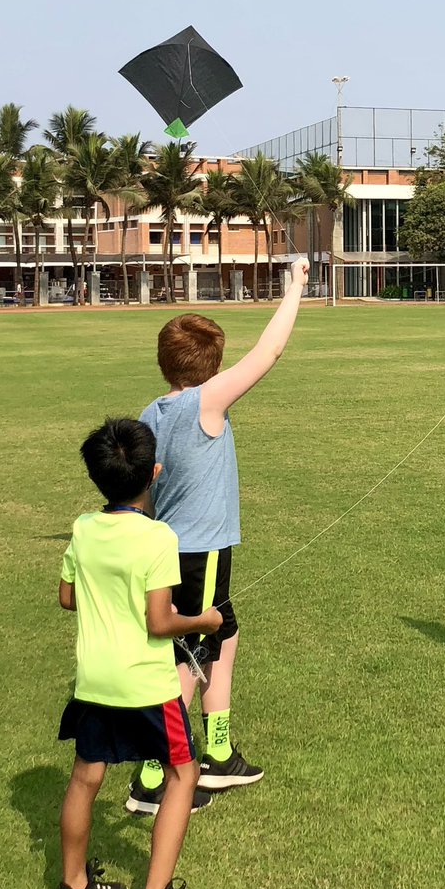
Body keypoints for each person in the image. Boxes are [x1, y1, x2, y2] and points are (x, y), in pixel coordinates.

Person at [128, 257, 310, 814]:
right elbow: (269, 353)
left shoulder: (152, 412)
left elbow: (144, 490)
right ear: (212, 367)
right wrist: (295, 288)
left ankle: (221, 752)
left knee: (222, 641)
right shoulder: (204, 401)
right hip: (197, 554)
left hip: (172, 552)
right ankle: (154, 776)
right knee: (187, 660)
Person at [53, 417, 222, 889]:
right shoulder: (157, 537)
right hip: (147, 687)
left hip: (94, 682)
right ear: (155, 473)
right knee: (182, 774)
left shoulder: (83, 528)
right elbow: (160, 621)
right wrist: (207, 620)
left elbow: (67, 596)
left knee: (86, 776)